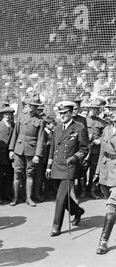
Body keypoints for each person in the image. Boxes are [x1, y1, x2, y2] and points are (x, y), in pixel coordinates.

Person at [46, 101, 89, 237]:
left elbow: (84, 148)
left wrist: (75, 157)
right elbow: (53, 148)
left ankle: (56, 226)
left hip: (69, 167)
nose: (62, 115)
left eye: (65, 113)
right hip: (56, 167)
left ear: (71, 113)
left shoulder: (79, 128)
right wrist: (48, 166)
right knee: (63, 198)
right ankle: (77, 211)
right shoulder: (58, 127)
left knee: (60, 198)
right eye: (60, 113)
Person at [8, 93, 45, 207]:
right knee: (17, 173)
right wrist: (11, 149)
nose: (33, 107)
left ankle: (29, 198)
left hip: (31, 150)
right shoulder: (20, 117)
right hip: (18, 149)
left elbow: (41, 139)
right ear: (28, 105)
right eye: (32, 105)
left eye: (35, 106)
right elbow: (15, 133)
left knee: (30, 174)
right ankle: (15, 198)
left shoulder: (40, 120)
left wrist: (37, 155)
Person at [93, 104, 116, 254]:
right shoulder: (107, 128)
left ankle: (103, 241)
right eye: (111, 110)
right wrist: (96, 172)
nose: (111, 112)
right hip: (106, 170)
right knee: (108, 200)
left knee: (111, 206)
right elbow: (102, 151)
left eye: (115, 110)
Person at [86, 98, 107, 198]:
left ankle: (92, 190)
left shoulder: (102, 122)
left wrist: (99, 140)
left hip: (96, 150)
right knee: (82, 171)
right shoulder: (83, 120)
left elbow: (105, 135)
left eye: (96, 109)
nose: (94, 111)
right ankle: (82, 190)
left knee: (94, 171)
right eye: (92, 108)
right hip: (85, 150)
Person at [0, 105, 15, 204]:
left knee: (9, 176)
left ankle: (7, 195)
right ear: (3, 115)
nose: (8, 116)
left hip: (10, 156)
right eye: (6, 114)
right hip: (0, 155)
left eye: (10, 114)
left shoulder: (14, 126)